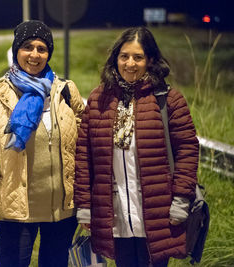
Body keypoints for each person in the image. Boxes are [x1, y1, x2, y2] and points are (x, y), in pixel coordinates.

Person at [74, 27, 199, 267]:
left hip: (157, 215)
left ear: (150, 60)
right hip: (115, 216)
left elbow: (187, 151)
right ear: (115, 59)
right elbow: (84, 157)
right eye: (124, 56)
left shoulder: (168, 99)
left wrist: (181, 201)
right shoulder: (99, 99)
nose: (130, 63)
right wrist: (85, 206)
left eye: (138, 57)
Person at [0, 20, 84, 267]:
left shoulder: (65, 91)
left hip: (62, 213)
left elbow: (83, 150)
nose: (34, 54)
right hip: (17, 212)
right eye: (27, 47)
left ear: (48, 53)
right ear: (16, 51)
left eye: (42, 48)